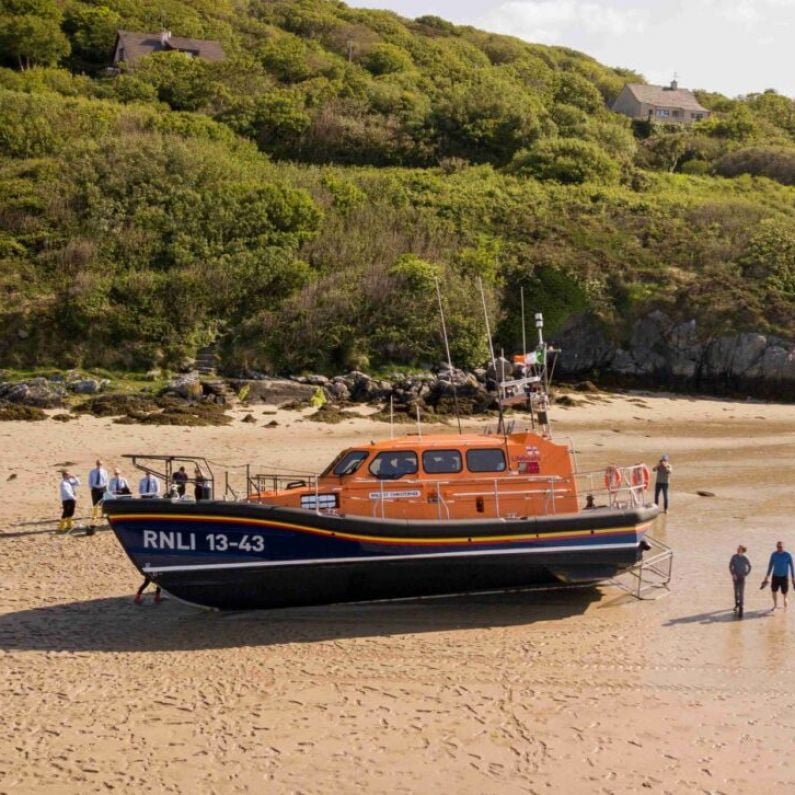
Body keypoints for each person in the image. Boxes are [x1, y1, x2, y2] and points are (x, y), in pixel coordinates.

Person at [761, 541, 795, 610]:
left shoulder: (788, 555)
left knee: (784, 595)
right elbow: (770, 566)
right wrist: (767, 576)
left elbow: (792, 567)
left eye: (780, 547)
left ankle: (785, 608)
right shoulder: (774, 554)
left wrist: (793, 578)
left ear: (783, 547)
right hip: (775, 576)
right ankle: (775, 605)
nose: (779, 548)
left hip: (784, 577)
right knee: (774, 591)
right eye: (778, 547)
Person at [729, 545, 752, 618]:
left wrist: (746, 574)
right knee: (736, 592)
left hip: (742, 577)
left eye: (739, 548)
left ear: (742, 550)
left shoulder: (745, 558)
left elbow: (750, 566)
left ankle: (741, 609)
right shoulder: (734, 557)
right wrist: (733, 574)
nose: (738, 549)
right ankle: (736, 605)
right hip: (735, 577)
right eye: (738, 548)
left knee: (741, 593)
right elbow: (730, 566)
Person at [88, 459, 109, 524]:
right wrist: (91, 487)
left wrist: (106, 488)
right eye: (98, 464)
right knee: (95, 502)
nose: (99, 465)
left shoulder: (105, 471)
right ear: (96, 464)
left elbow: (107, 480)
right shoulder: (92, 471)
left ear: (102, 465)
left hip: (102, 488)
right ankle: (95, 515)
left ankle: (103, 514)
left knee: (103, 502)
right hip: (95, 489)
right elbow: (90, 480)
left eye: (100, 464)